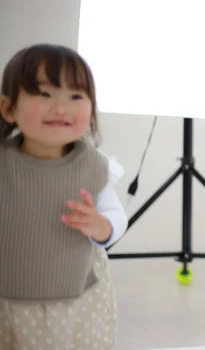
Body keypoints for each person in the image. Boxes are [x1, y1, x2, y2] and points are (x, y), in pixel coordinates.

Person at [0, 43, 128, 349]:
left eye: (75, 96)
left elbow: (116, 215)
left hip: (75, 296)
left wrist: (102, 225)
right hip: (8, 296)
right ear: (8, 108)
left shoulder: (94, 166)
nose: (60, 107)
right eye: (44, 94)